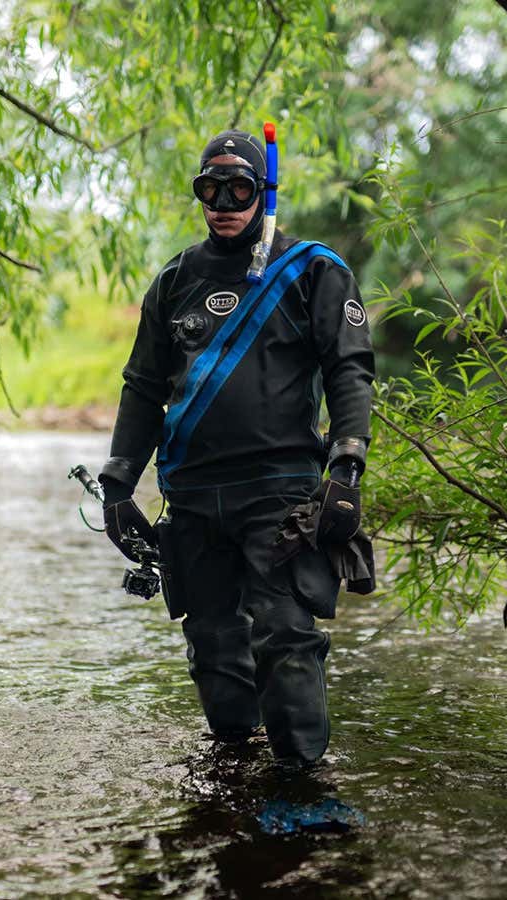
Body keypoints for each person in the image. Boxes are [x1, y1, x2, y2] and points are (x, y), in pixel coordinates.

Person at [97, 129, 375, 766]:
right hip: (192, 497)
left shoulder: (312, 270)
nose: (223, 201)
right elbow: (141, 389)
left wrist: (348, 466)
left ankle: (302, 786)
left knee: (285, 636)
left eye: (240, 187)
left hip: (278, 494)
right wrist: (117, 487)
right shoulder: (175, 280)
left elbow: (349, 371)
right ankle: (233, 777)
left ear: (264, 190)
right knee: (214, 644)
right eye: (209, 188)